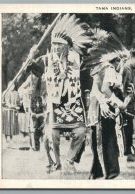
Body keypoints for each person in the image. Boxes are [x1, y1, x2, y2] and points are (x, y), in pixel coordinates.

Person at [26, 14, 89, 172]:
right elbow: (31, 68)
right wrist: (30, 57)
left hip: (73, 102)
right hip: (55, 104)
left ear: (67, 46)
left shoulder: (78, 59)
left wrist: (87, 94)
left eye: (59, 45)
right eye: (54, 44)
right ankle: (56, 162)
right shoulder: (47, 60)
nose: (56, 47)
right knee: (52, 135)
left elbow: (88, 76)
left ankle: (69, 160)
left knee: (81, 132)